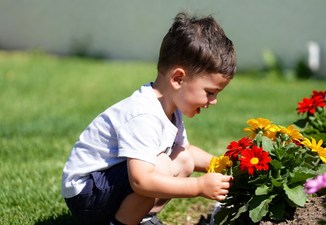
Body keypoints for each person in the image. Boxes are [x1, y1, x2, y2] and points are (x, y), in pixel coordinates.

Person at [61, 11, 237, 225]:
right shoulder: (143, 114)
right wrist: (199, 187)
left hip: (107, 185)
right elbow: (141, 180)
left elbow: (186, 151)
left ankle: (139, 217)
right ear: (178, 78)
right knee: (160, 165)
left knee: (183, 159)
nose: (214, 101)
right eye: (210, 92)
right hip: (86, 193)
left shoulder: (170, 108)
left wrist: (222, 164)